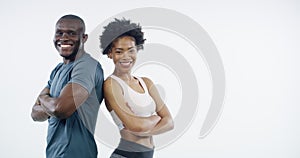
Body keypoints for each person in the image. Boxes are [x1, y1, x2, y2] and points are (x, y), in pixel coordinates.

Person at [31, 14, 104, 158]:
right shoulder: (57, 70)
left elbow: (60, 109)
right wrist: (52, 104)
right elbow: (34, 113)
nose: (64, 38)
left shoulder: (86, 66)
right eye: (59, 33)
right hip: (53, 153)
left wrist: (43, 98)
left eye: (71, 33)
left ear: (84, 38)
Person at [100, 18, 174, 158]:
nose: (126, 57)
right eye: (119, 51)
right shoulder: (111, 84)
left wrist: (145, 130)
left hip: (148, 154)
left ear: (137, 50)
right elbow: (136, 126)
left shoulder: (146, 82)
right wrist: (155, 118)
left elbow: (170, 122)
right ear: (110, 53)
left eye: (131, 50)